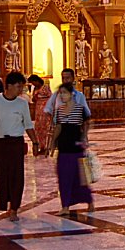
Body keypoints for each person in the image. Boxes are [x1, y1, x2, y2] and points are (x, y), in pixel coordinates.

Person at [0, 71, 38, 221]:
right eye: (18, 86)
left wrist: (35, 142)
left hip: (15, 142)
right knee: (2, 175)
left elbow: (28, 124)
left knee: (17, 176)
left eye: (22, 87)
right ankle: (5, 203)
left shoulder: (22, 103)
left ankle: (14, 207)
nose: (20, 90)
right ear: (8, 86)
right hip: (0, 142)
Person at [52, 83, 94, 215]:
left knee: (80, 177)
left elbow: (87, 123)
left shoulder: (79, 109)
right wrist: (52, 143)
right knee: (64, 177)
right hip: (64, 146)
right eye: (61, 93)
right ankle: (65, 206)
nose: (62, 95)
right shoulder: (59, 110)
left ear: (71, 94)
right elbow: (58, 127)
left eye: (64, 93)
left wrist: (84, 137)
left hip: (76, 147)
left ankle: (89, 201)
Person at [28, 74, 53, 155]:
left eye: (33, 82)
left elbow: (51, 97)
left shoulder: (45, 87)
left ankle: (46, 147)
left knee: (45, 128)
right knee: (38, 128)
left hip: (45, 109)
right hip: (38, 109)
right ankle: (41, 147)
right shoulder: (35, 88)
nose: (33, 84)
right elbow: (33, 99)